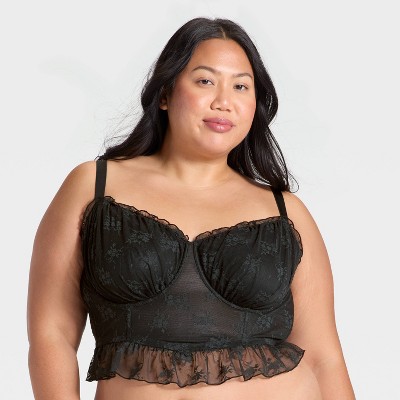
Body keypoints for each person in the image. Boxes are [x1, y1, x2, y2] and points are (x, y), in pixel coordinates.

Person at [27, 17, 355, 400]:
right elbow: (51, 334)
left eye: (241, 86)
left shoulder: (286, 212)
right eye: (205, 81)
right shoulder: (93, 186)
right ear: (165, 94)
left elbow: (324, 358)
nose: (223, 101)